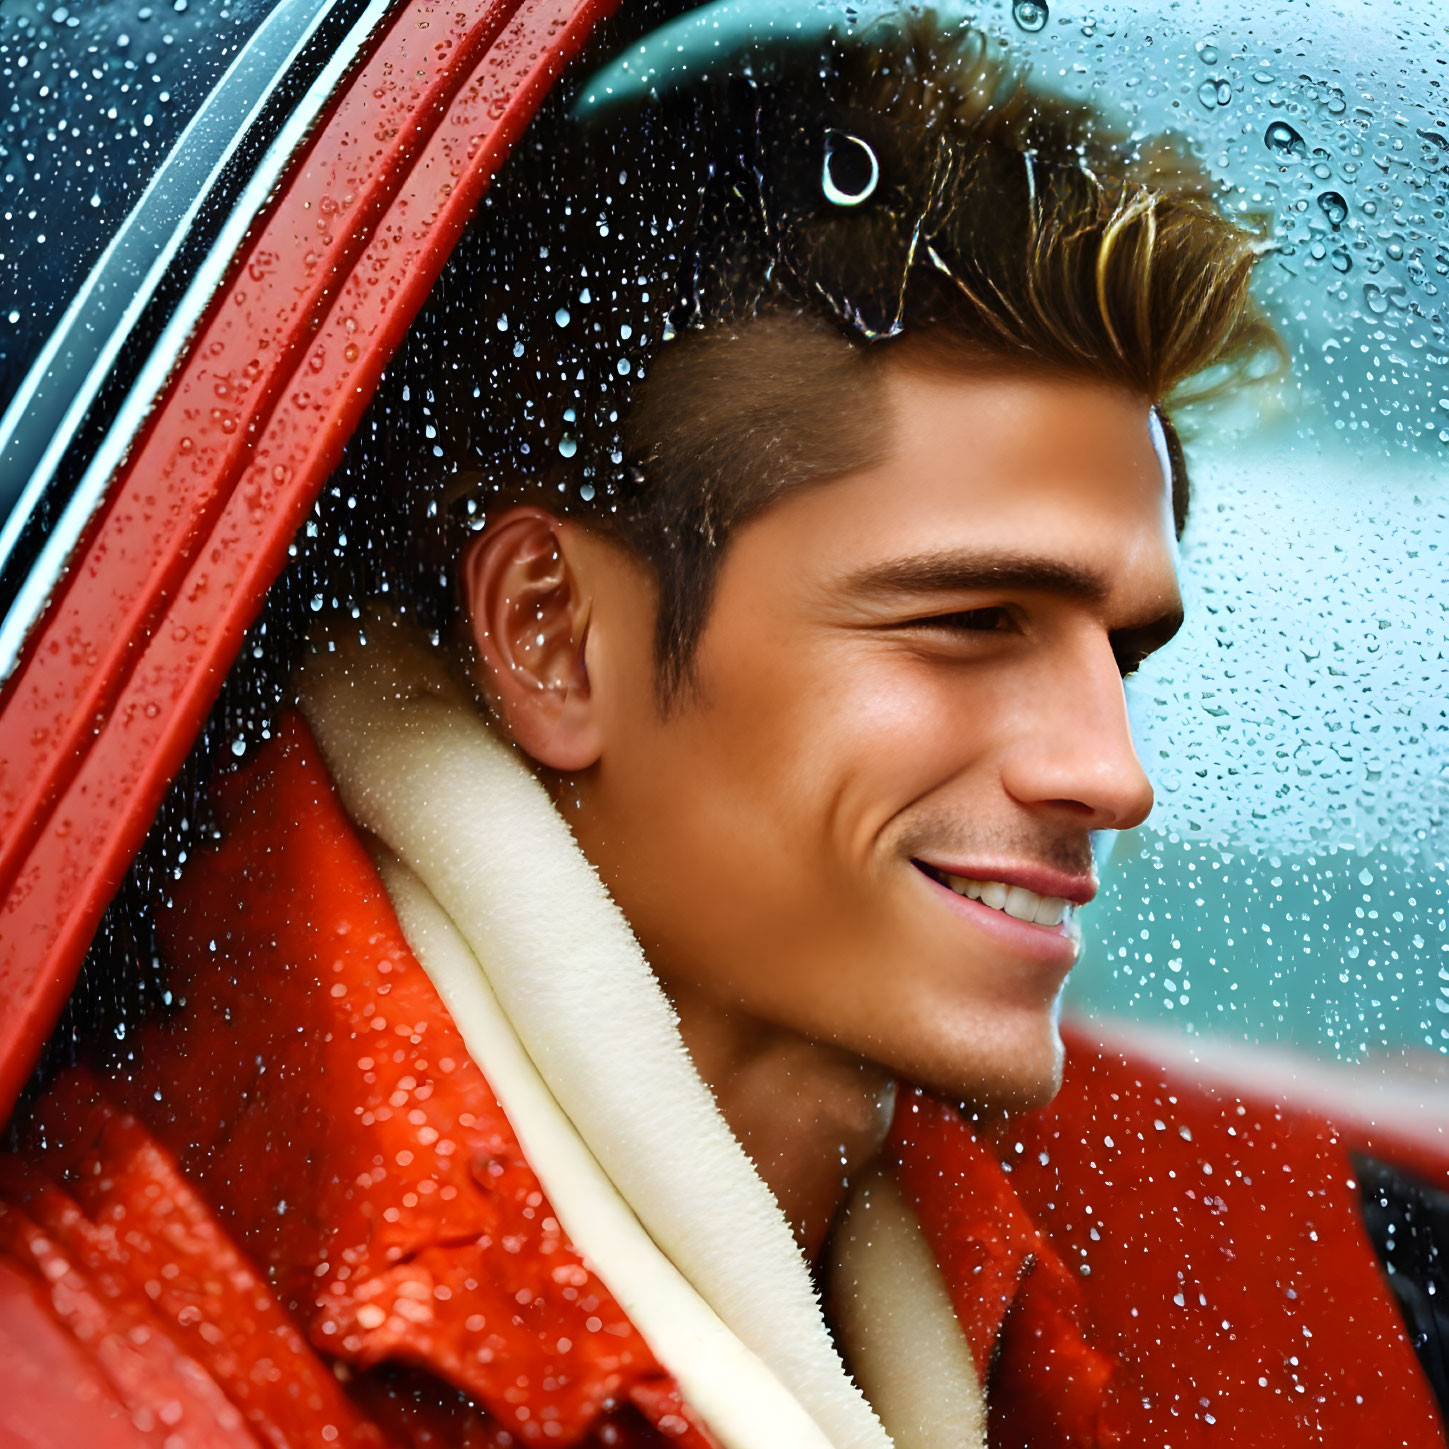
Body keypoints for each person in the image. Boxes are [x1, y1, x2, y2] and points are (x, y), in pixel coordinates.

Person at [1, 6, 1443, 1448]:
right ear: (551, 637)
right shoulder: (126, 1331)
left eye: (1118, 651)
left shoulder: (1194, 1234)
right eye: (966, 623)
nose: (1110, 774)